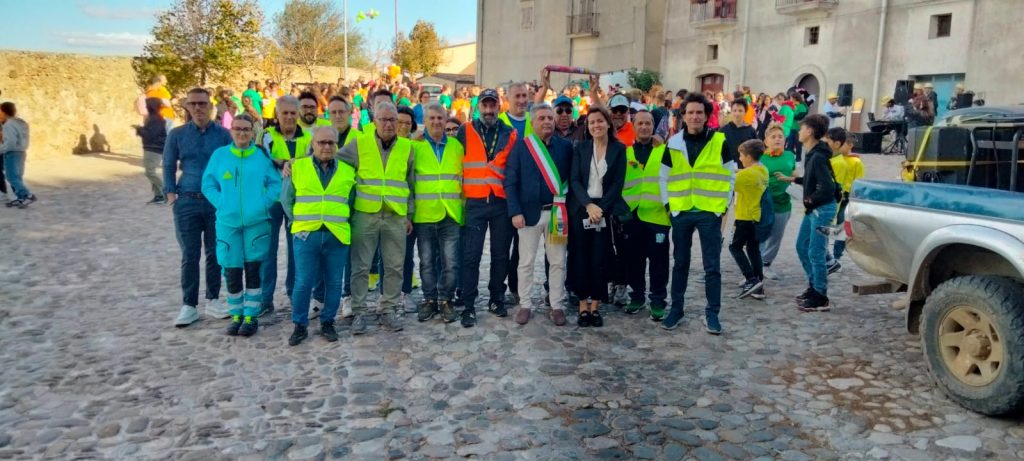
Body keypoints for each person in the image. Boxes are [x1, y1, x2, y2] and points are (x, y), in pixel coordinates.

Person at [337, 101, 414, 335]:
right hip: (365, 214)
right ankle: (359, 311)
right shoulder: (359, 144)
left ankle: (388, 308)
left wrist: (409, 214)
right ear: (374, 121)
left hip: (395, 216)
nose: (389, 124)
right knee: (360, 266)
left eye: (393, 120)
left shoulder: (407, 148)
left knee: (394, 266)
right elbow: (332, 156)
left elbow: (411, 183)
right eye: (384, 119)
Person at [662, 93, 736, 335]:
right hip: (681, 210)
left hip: (709, 211)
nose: (695, 116)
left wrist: (722, 207)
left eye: (699, 113)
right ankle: (677, 309)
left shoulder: (720, 141)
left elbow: (730, 175)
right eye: (690, 112)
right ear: (683, 116)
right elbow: (664, 176)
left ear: (707, 116)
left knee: (712, 267)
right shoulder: (672, 143)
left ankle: (712, 314)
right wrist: (668, 206)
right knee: (680, 263)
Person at [201, 114, 280, 337]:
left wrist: (263, 204)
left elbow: (275, 183)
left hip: (256, 223)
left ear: (252, 132)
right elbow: (208, 185)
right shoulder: (220, 156)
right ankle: (236, 314)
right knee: (232, 270)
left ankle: (251, 315)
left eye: (246, 129)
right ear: (231, 130)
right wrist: (222, 204)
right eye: (238, 129)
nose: (242, 133)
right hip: (228, 223)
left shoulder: (261, 157)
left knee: (254, 270)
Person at [164, 88, 233, 326]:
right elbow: (168, 164)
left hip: (215, 203)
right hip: (187, 200)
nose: (198, 108)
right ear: (187, 107)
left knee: (215, 253)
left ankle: (213, 299)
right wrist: (171, 194)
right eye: (193, 104)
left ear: (210, 105)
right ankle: (189, 304)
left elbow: (233, 163)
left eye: (202, 103)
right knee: (190, 255)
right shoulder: (177, 135)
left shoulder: (224, 135)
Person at [282, 126, 356, 345]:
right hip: (307, 235)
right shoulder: (297, 167)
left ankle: (328, 322)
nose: (326, 147)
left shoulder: (347, 170)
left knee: (334, 282)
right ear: (312, 144)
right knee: (303, 281)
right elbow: (287, 199)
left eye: (331, 143)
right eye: (321, 142)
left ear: (337, 146)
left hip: (336, 234)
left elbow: (351, 202)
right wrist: (300, 223)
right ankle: (300, 324)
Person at [505, 103, 573, 326]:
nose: (547, 121)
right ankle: (525, 304)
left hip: (557, 214)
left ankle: (556, 305)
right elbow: (511, 180)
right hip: (528, 214)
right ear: (532, 123)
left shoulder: (565, 146)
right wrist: (515, 211)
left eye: (549, 118)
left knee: (557, 262)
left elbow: (573, 178)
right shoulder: (522, 147)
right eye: (542, 118)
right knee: (526, 262)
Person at [456, 88, 518, 327]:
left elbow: (512, 171)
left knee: (500, 255)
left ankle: (496, 298)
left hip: (501, 202)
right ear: (478, 107)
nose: (489, 110)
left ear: (499, 107)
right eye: (485, 105)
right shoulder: (465, 130)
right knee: (471, 256)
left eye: (493, 105)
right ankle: (469, 304)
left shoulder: (509, 133)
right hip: (475, 202)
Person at [568, 105, 627, 327]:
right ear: (588, 126)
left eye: (599, 121)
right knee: (580, 258)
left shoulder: (619, 149)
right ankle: (583, 305)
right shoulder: (580, 149)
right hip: (581, 210)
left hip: (604, 210)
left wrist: (600, 208)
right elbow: (574, 180)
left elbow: (617, 183)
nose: (596, 125)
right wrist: (588, 205)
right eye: (591, 122)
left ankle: (595, 306)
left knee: (599, 259)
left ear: (608, 123)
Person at [776, 114, 838, 311]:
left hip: (822, 209)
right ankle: (814, 286)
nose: (799, 131)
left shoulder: (818, 156)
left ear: (810, 131)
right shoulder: (813, 153)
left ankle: (821, 295)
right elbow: (813, 180)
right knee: (802, 247)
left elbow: (827, 188)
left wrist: (810, 199)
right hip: (814, 209)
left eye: (802, 128)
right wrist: (793, 180)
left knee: (816, 251)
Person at [413, 103, 465, 324]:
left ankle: (445, 299)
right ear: (425, 121)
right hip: (424, 214)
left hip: (450, 214)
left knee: (451, 262)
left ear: (446, 121)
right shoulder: (414, 147)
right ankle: (429, 299)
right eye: (431, 118)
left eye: (440, 118)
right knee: (426, 262)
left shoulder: (456, 146)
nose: (436, 122)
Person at [260, 95, 312, 315]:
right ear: (277, 115)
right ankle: (265, 298)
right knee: (267, 251)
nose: (289, 117)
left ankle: (294, 293)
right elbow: (265, 158)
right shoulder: (266, 135)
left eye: (293, 113)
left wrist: (292, 164)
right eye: (285, 113)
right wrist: (284, 162)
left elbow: (311, 161)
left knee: (296, 251)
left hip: (297, 202)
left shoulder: (308, 138)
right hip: (271, 201)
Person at [620, 110, 672, 319]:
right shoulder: (626, 153)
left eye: (648, 123)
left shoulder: (665, 152)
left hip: (658, 217)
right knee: (634, 260)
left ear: (653, 126)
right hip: (632, 217)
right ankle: (637, 296)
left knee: (659, 261)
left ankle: (658, 300)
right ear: (633, 125)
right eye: (640, 123)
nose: (644, 127)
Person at [729, 139, 769, 300]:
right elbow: (745, 175)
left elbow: (728, 183)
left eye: (741, 155)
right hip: (756, 216)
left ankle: (750, 279)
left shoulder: (746, 175)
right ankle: (759, 284)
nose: (740, 158)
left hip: (744, 217)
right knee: (753, 249)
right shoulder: (762, 169)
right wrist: (738, 171)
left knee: (735, 247)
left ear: (749, 156)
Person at [758, 123, 796, 280]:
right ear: (766, 141)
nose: (777, 139)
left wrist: (795, 180)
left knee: (776, 236)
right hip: (763, 204)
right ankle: (756, 266)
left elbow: (794, 173)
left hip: (783, 203)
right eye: (773, 137)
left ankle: (766, 264)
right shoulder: (760, 157)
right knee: (760, 235)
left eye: (780, 136)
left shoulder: (790, 155)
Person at [822, 127, 850, 275]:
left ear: (837, 144)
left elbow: (833, 187)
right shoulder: (832, 160)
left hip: (829, 205)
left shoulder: (838, 163)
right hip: (826, 203)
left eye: (827, 142)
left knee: (823, 235)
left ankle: (830, 261)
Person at [0, 102, 35, 208]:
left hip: (11, 153)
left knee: (11, 177)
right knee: (17, 176)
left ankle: (27, 195)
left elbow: (10, 142)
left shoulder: (8, 124)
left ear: (4, 111)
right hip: (21, 152)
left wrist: (1, 150)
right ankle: (20, 198)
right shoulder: (21, 122)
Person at [135, 98, 168, 204]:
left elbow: (151, 135)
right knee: (149, 172)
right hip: (150, 147)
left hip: (154, 148)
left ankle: (165, 192)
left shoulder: (156, 119)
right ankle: (159, 195)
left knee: (150, 172)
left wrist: (139, 129)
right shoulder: (153, 118)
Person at [720, 98, 757, 166]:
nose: (737, 113)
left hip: (745, 169)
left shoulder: (751, 131)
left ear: (745, 112)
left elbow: (755, 152)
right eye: (735, 110)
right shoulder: (723, 131)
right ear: (731, 112)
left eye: (740, 111)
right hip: (727, 168)